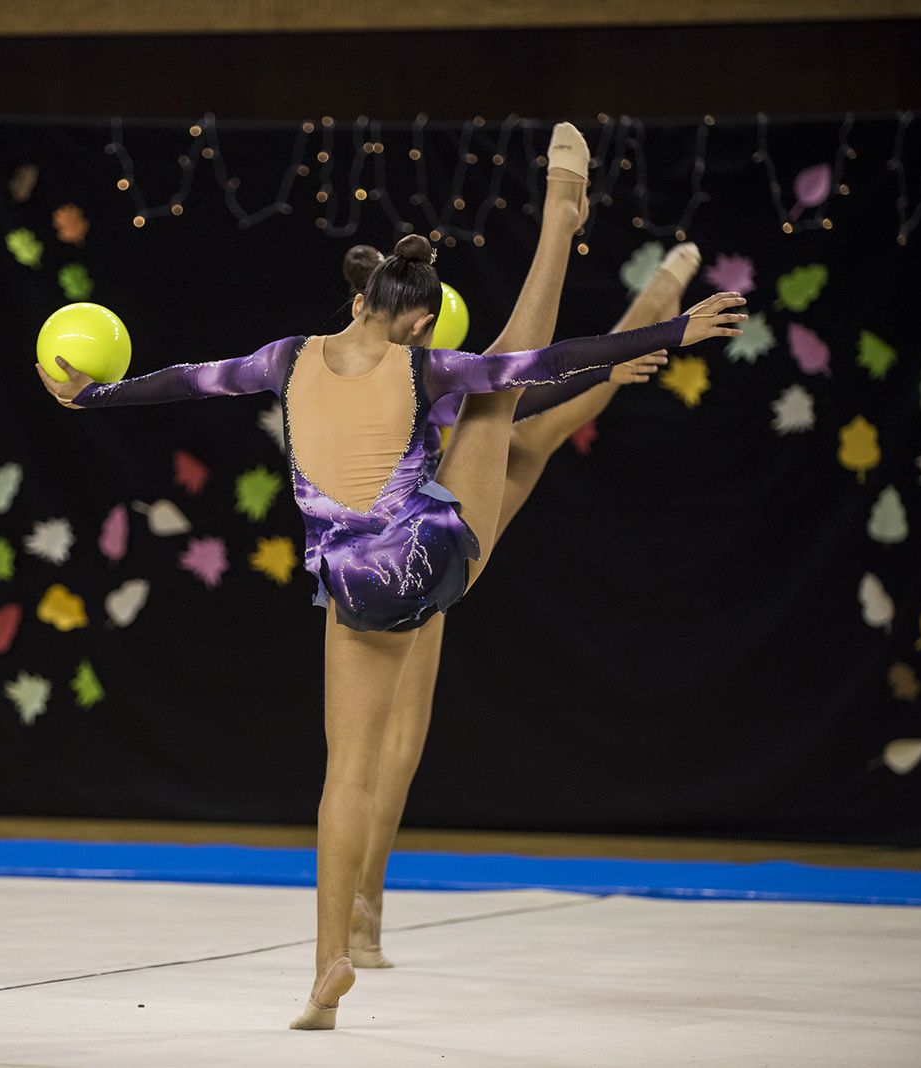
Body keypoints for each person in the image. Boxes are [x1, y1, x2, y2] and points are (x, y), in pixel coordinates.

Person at [37, 125, 748, 1030]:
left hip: (351, 587)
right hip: (433, 557)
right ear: (417, 318)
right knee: (506, 405)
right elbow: (541, 363)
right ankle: (557, 222)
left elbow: (186, 379)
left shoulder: (284, 358)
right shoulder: (429, 369)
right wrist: (674, 330)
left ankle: (325, 972)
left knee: (347, 773)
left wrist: (95, 394)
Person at [338, 238, 704, 967]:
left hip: (436, 505)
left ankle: (366, 910)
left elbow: (516, 385)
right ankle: (362, 909)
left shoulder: (418, 360)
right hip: (395, 537)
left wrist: (611, 359)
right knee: (390, 745)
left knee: (535, 428)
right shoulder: (367, 361)